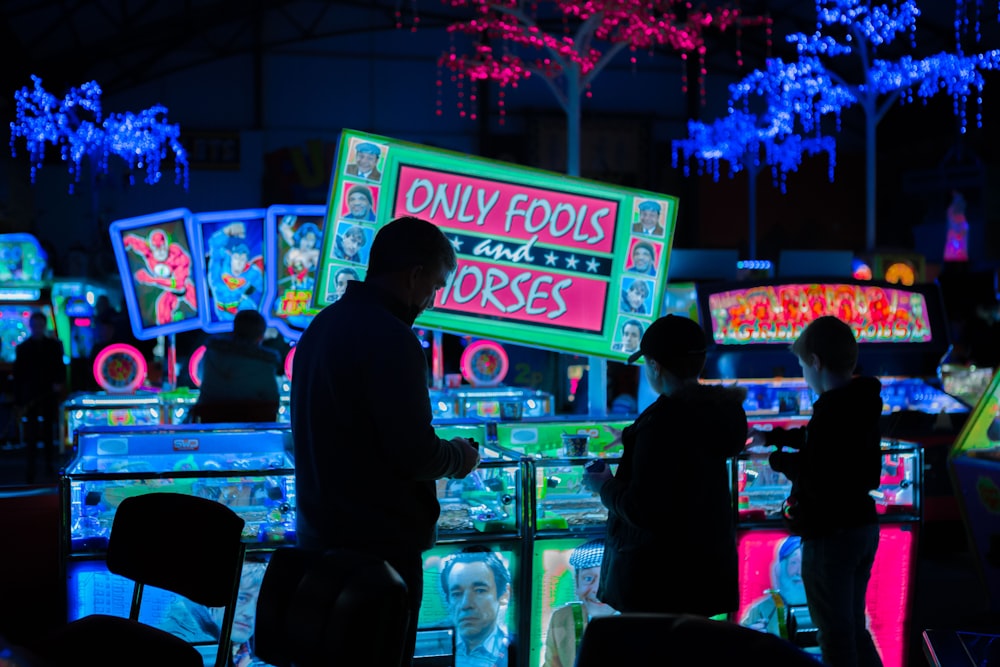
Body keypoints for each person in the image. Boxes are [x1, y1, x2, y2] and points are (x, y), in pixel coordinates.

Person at [291, 215, 480, 665]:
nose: (431, 301)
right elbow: (413, 452)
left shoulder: (324, 325)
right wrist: (461, 456)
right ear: (414, 276)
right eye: (434, 286)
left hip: (321, 543)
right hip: (378, 555)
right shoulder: (391, 338)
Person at [582, 315, 747, 617]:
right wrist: (632, 439)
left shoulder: (662, 425)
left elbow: (643, 509)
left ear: (655, 366)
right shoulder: (714, 414)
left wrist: (603, 484)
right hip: (703, 576)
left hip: (659, 583)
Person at [758, 315, 883, 667]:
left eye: (802, 365)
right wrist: (777, 437)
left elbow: (818, 474)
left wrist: (776, 459)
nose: (804, 373)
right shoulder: (858, 400)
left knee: (835, 636)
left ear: (815, 361)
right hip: (861, 524)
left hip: (831, 533)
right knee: (855, 629)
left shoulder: (831, 408)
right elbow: (822, 446)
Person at [161, 558, 268, 667]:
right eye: (241, 598)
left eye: (260, 603)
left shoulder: (259, 649)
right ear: (215, 597)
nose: (250, 613)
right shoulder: (181, 643)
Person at [194, 309, 280, 422]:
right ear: (260, 337)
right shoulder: (265, 363)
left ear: (234, 330)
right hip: (252, 429)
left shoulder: (211, 353)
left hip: (211, 424)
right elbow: (272, 401)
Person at [543, 538, 616, 667]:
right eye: (588, 578)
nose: (597, 590)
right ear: (577, 583)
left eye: (607, 579)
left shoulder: (644, 624)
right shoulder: (561, 618)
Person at [14, 311, 66, 484]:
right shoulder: (23, 348)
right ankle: (31, 467)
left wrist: (59, 384)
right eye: (35, 325)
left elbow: (60, 368)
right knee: (32, 432)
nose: (37, 328)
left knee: (48, 431)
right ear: (31, 326)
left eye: (40, 325)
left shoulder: (54, 346)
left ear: (44, 326)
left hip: (48, 393)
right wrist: (20, 400)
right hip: (31, 395)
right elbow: (19, 375)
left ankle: (48, 464)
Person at [441, 546, 513, 667]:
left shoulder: (515, 647)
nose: (466, 604)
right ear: (448, 600)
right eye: (457, 594)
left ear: (504, 595)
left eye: (480, 591)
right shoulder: (429, 647)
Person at [123, 228, 197, 325]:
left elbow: (178, 284)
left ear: (166, 245)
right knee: (162, 312)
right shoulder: (148, 252)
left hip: (185, 288)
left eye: (162, 247)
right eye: (156, 248)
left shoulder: (178, 256)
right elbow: (130, 240)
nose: (159, 252)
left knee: (201, 304)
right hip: (170, 292)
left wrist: (151, 279)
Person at [740, 536, 809, 639]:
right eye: (794, 562)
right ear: (780, 569)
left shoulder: (828, 607)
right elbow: (736, 643)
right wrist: (750, 637)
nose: (799, 572)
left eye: (805, 563)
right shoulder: (761, 610)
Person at [206, 222, 265, 319]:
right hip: (222, 311)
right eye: (237, 258)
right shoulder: (220, 265)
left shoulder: (251, 272)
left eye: (243, 259)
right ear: (231, 257)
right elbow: (214, 244)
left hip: (241, 309)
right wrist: (226, 231)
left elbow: (265, 288)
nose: (239, 263)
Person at [279, 217, 322, 289]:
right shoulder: (295, 246)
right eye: (305, 239)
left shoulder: (315, 254)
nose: (308, 243)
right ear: (300, 238)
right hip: (290, 287)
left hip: (310, 287)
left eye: (311, 240)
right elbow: (283, 228)